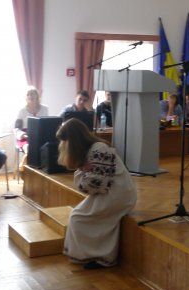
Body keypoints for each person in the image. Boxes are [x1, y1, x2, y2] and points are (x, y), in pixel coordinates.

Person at [56, 118, 137, 269]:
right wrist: (83, 170)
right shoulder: (91, 150)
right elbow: (89, 186)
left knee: (78, 218)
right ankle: (94, 254)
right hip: (109, 192)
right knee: (77, 216)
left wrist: (82, 172)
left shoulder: (99, 148)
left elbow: (93, 186)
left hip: (118, 194)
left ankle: (101, 256)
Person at [14, 86, 50, 170]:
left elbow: (47, 124)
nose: (30, 96)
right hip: (25, 136)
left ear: (37, 96)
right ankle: (26, 169)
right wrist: (23, 135)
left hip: (41, 135)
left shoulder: (45, 109)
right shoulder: (21, 111)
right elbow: (16, 129)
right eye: (28, 94)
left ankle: (39, 169)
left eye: (32, 94)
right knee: (29, 148)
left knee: (48, 147)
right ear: (25, 97)